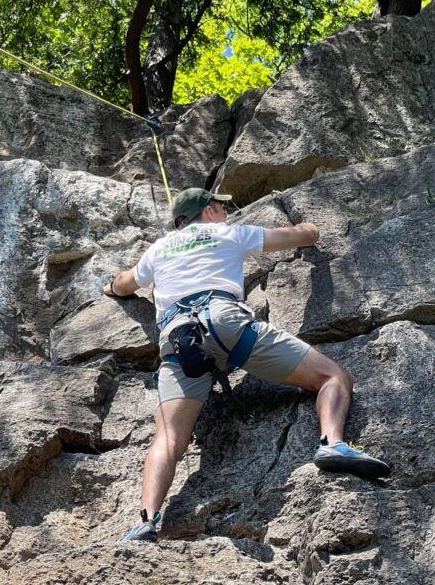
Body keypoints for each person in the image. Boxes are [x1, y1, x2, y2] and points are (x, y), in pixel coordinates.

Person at [104, 187, 390, 542]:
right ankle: (332, 443)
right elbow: (302, 236)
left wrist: (110, 288)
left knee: (169, 437)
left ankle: (146, 521)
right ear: (208, 212)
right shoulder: (228, 232)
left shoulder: (158, 250)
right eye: (222, 208)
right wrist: (312, 226)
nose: (226, 213)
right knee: (333, 376)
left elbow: (123, 284)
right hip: (228, 324)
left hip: (180, 340)